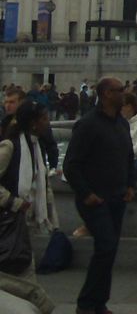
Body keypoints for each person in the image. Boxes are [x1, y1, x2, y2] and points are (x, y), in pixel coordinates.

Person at [63, 77, 136, 314]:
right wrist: (86, 194)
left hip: (117, 196)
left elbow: (128, 158)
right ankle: (85, 304)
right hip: (95, 199)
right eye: (118, 91)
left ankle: (99, 302)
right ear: (106, 94)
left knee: (110, 249)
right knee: (105, 246)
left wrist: (130, 185)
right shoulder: (87, 124)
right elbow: (71, 164)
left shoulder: (122, 124)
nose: (123, 94)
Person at [0, 100, 58, 314]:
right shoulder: (11, 146)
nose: (48, 122)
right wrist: (14, 202)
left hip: (24, 223)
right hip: (10, 222)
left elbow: (40, 185)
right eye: (44, 118)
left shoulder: (35, 146)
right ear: (33, 123)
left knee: (19, 277)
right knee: (24, 280)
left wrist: (51, 217)